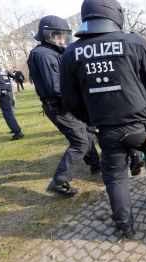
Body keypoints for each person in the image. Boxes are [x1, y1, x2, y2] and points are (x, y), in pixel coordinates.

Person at [59, 0, 146, 239]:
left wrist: (90, 118)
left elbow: (69, 99)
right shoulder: (133, 42)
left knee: (115, 178)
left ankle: (124, 225)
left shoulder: (71, 52)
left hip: (106, 131)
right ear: (114, 14)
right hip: (140, 126)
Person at [27, 15, 101, 197]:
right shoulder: (44, 54)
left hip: (65, 104)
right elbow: (56, 87)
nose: (62, 40)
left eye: (63, 36)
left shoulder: (52, 52)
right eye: (57, 36)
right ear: (47, 35)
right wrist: (81, 95)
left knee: (85, 133)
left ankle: (96, 164)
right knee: (80, 141)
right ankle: (59, 181)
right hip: (60, 106)